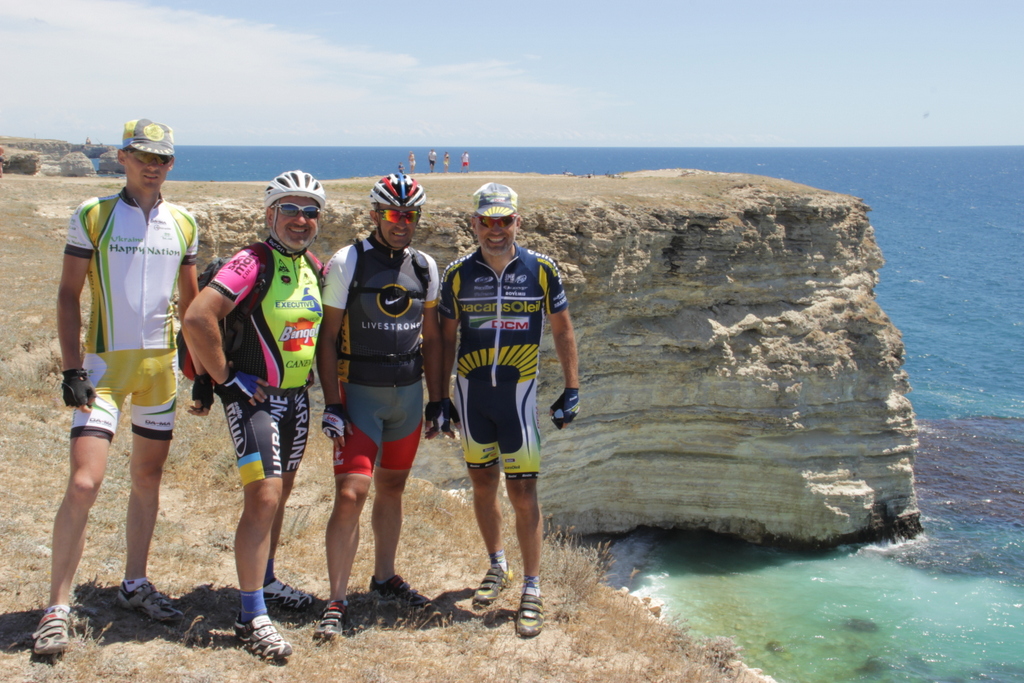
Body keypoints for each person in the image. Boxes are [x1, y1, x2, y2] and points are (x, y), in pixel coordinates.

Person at [32, 119, 200, 656]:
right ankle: (57, 607)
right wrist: (71, 369)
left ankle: (135, 582)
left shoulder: (184, 222)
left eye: (163, 158)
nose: (153, 166)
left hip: (159, 372)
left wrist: (199, 374)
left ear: (172, 164)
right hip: (102, 372)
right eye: (142, 155)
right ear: (123, 157)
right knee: (85, 483)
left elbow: (192, 308)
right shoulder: (94, 214)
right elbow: (68, 294)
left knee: (148, 479)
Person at [182, 170, 326, 661]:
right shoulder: (252, 261)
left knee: (278, 496)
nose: (301, 220)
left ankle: (264, 581)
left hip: (296, 399)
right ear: (270, 215)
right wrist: (225, 378)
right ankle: (250, 617)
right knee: (263, 498)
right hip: (255, 399)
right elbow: (198, 316)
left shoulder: (312, 266)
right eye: (290, 210)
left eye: (310, 211)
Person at [313, 173, 452, 640]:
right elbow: (327, 338)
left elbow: (432, 339)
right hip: (359, 394)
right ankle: (336, 599)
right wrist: (333, 403)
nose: (401, 223)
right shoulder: (348, 261)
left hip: (408, 396)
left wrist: (439, 400)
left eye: (410, 215)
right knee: (351, 493)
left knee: (393, 488)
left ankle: (384, 577)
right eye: (393, 214)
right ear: (375, 215)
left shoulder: (425, 267)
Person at [438, 183, 580, 638]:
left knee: (523, 494)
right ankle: (498, 564)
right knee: (482, 485)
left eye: (504, 220)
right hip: (471, 396)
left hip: (518, 399)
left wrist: (572, 387)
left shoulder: (541, 269)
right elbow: (443, 338)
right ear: (474, 223)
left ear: (518, 221)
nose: (495, 230)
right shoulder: (458, 274)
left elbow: (562, 329)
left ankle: (532, 588)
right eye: (487, 221)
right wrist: (438, 397)